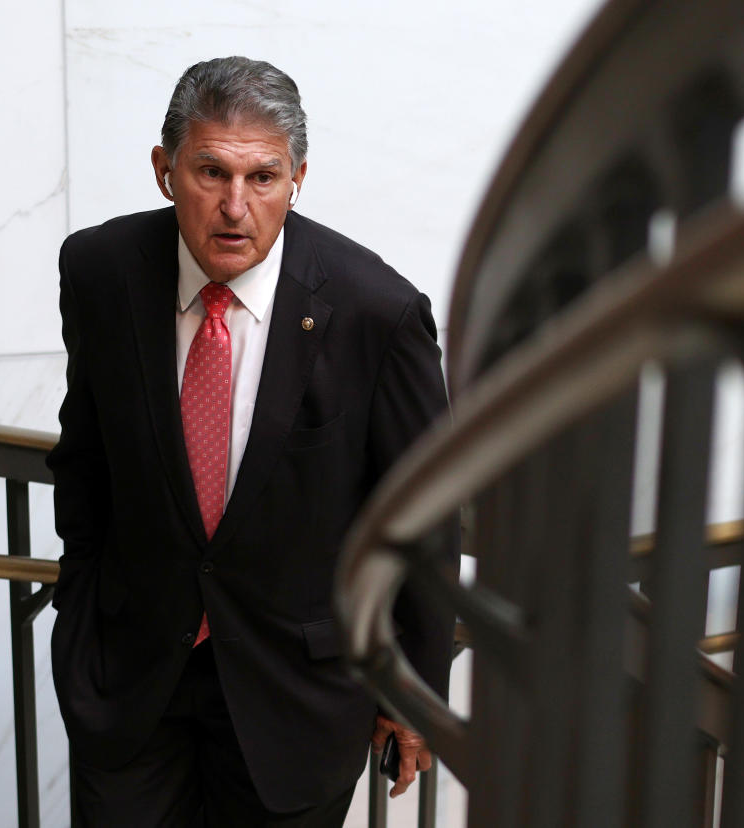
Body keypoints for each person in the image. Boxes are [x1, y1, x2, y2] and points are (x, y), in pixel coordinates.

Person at [46, 56, 457, 826]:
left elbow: (426, 524)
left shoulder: (379, 312)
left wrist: (412, 696)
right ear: (165, 171)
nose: (236, 206)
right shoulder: (100, 270)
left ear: (298, 177)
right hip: (132, 682)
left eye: (263, 178)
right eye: (211, 173)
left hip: (296, 697)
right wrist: (82, 612)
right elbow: (86, 456)